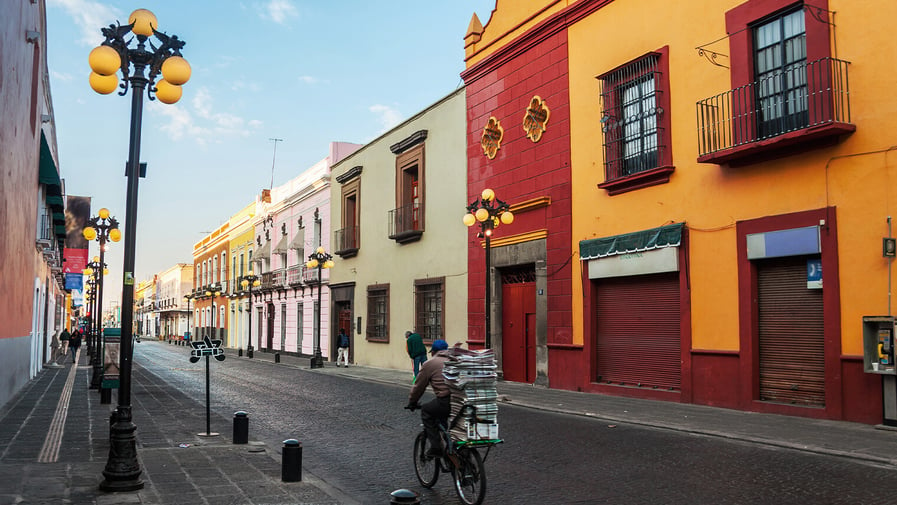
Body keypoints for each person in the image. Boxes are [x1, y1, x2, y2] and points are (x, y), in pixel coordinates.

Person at [406, 339, 451, 457]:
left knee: (426, 410)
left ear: (434, 352)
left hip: (445, 401)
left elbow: (418, 387)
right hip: (462, 401)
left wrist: (412, 401)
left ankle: (436, 447)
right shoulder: (456, 360)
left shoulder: (430, 364)